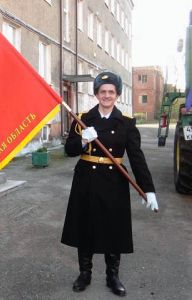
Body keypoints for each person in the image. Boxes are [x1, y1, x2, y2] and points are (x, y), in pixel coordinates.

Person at [61, 71, 159, 297]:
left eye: (111, 92)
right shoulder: (83, 118)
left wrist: (149, 189)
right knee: (85, 226)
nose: (106, 95)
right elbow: (69, 150)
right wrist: (83, 140)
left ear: (117, 95)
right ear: (96, 94)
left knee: (114, 229)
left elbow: (136, 157)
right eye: (102, 92)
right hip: (86, 179)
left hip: (114, 181)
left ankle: (112, 276)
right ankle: (84, 274)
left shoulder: (126, 123)